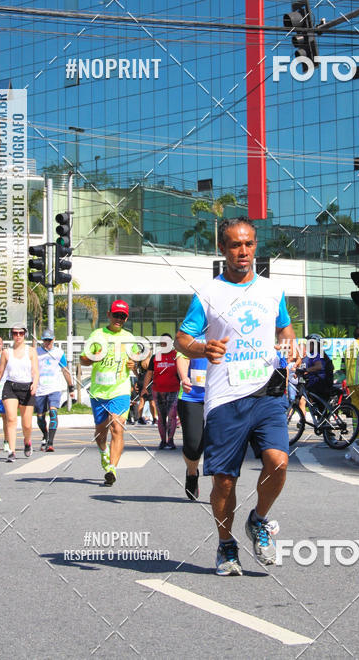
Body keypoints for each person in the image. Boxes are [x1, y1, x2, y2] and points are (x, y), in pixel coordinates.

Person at [175, 216, 296, 576]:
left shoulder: (273, 291)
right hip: (225, 397)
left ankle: (258, 519)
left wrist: (290, 345)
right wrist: (203, 348)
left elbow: (285, 328)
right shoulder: (207, 294)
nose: (243, 251)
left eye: (248, 244)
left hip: (267, 390)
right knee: (225, 480)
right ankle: (226, 545)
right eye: (235, 245)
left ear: (255, 247)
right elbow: (182, 339)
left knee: (278, 462)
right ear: (222, 249)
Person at [80, 300, 138, 487]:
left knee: (117, 428)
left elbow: (137, 362)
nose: (118, 319)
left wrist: (134, 365)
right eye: (116, 315)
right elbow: (83, 360)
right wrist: (93, 357)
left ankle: (112, 468)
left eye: (122, 316)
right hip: (99, 392)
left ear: (126, 318)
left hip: (120, 390)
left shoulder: (129, 337)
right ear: (108, 315)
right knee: (100, 434)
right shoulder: (97, 335)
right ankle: (103, 452)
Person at [0, 325, 39, 462]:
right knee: (11, 419)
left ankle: (27, 441)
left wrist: (35, 384)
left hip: (27, 388)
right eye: (15, 333)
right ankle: (11, 451)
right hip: (10, 387)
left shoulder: (31, 351)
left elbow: (36, 371)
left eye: (21, 333)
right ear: (11, 335)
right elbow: (0, 372)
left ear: (25, 335)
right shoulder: (6, 352)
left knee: (27, 424)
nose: (18, 336)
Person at [35, 329, 75, 451]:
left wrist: (71, 387)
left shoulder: (58, 353)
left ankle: (50, 442)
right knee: (40, 417)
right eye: (45, 340)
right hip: (40, 388)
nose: (47, 343)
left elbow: (65, 370)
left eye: (49, 340)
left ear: (54, 339)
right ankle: (45, 435)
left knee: (53, 412)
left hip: (54, 388)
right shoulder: (36, 352)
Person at [176, 346, 206, 500]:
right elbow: (182, 356)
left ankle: (220, 489)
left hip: (222, 397)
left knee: (220, 445)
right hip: (192, 397)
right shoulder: (192, 333)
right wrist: (184, 377)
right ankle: (192, 473)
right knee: (194, 446)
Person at [142, 334, 179, 450]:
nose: (164, 344)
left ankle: (170, 440)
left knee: (172, 415)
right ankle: (163, 441)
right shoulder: (156, 356)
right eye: (162, 342)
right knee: (161, 417)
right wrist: (144, 387)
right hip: (158, 390)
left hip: (173, 390)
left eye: (166, 342)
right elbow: (149, 372)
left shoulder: (176, 356)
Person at [301, 334, 334, 405]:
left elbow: (319, 366)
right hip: (322, 384)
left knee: (303, 398)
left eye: (309, 344)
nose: (307, 346)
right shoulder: (322, 355)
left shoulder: (316, 355)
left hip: (318, 384)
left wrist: (306, 370)